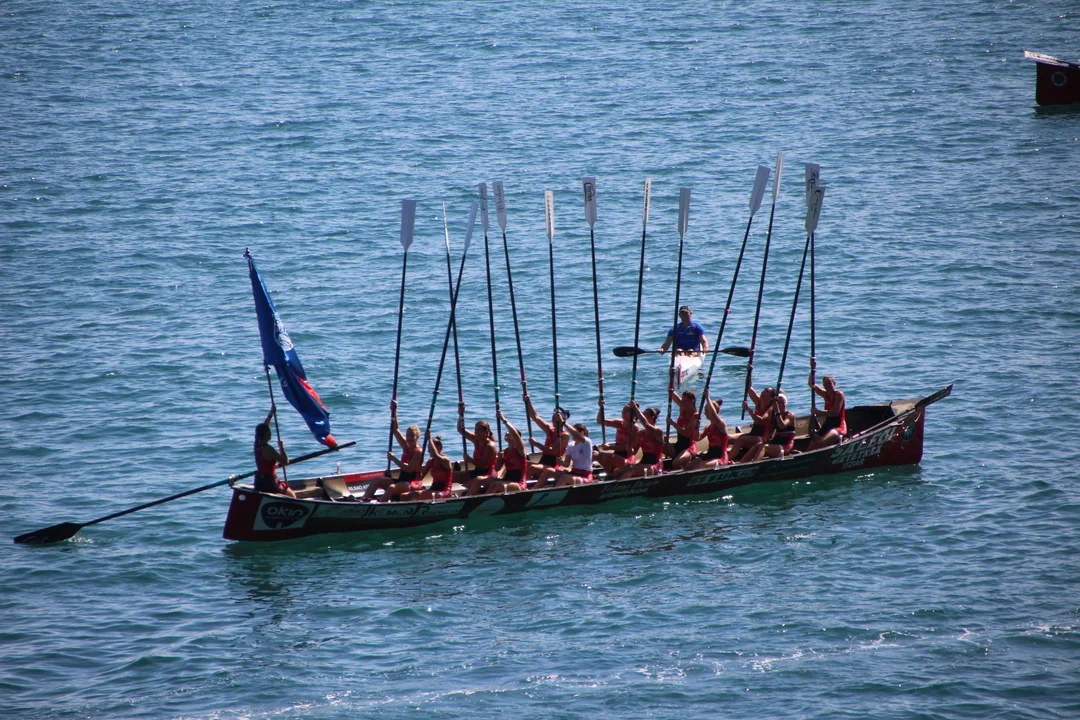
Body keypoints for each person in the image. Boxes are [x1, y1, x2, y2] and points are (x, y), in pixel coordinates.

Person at [362, 400, 422, 502]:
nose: (409, 438)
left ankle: (381, 505)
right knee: (377, 480)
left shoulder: (418, 452)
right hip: (401, 480)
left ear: (417, 437)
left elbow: (409, 469)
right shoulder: (406, 446)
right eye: (408, 435)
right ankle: (364, 501)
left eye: (412, 436)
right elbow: (395, 430)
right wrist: (394, 411)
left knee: (391, 488)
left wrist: (394, 459)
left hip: (412, 483)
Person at [253, 405, 296, 497]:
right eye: (269, 432)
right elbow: (285, 462)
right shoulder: (269, 449)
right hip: (270, 482)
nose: (270, 434)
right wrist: (281, 447)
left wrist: (270, 414)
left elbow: (264, 427)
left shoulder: (256, 445)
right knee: (292, 495)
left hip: (259, 481)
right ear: (266, 434)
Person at [456, 404, 499, 496]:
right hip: (477, 471)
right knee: (455, 475)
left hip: (488, 475)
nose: (476, 432)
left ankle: (465, 496)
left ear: (486, 432)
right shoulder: (476, 439)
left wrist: (469, 459)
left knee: (470, 483)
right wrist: (461, 415)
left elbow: (484, 466)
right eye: (475, 430)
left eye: (479, 430)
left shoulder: (490, 446)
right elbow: (460, 429)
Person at [536, 422, 595, 488]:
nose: (571, 434)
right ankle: (534, 490)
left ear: (582, 433)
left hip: (585, 475)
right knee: (548, 470)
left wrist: (563, 422)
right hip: (574, 472)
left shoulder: (587, 442)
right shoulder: (570, 445)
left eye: (573, 432)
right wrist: (561, 462)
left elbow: (577, 435)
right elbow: (566, 464)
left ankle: (555, 492)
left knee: (564, 477)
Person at [742, 393, 797, 463]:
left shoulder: (790, 415)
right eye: (778, 403)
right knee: (758, 445)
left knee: (764, 447)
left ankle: (754, 464)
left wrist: (777, 411)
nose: (781, 405)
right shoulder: (774, 416)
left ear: (786, 404)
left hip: (785, 446)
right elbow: (770, 432)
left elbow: (782, 425)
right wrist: (768, 436)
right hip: (776, 443)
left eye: (783, 403)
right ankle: (742, 463)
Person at [399, 432, 454, 502]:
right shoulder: (430, 461)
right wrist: (418, 471)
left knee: (418, 496)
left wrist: (429, 439)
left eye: (430, 448)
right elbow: (420, 478)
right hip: (433, 489)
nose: (428, 451)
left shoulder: (445, 460)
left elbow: (436, 455)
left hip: (444, 492)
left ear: (438, 448)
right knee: (404, 495)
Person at [524, 395, 569, 479]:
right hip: (543, 462)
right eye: (553, 416)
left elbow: (552, 452)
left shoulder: (564, 435)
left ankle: (523, 485)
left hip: (553, 466)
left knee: (533, 467)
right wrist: (528, 401)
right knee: (523, 463)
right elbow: (535, 417)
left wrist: (536, 444)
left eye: (557, 417)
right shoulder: (549, 429)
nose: (554, 419)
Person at [614, 404, 665, 479]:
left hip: (654, 465)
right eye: (642, 414)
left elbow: (646, 424)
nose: (642, 416)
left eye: (645, 415)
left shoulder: (658, 431)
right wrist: (629, 448)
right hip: (643, 463)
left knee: (630, 470)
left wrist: (635, 408)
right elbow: (634, 451)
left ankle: (620, 485)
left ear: (652, 417)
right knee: (617, 471)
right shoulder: (641, 433)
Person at [728, 383, 775, 463]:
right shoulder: (759, 402)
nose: (763, 392)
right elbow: (749, 388)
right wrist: (749, 375)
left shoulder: (770, 409)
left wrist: (748, 410)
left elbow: (760, 421)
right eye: (764, 390)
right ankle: (721, 457)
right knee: (728, 438)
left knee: (740, 440)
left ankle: (726, 461)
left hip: (761, 437)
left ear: (771, 398)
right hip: (752, 433)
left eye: (766, 391)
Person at [594, 399, 637, 476]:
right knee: (596, 455)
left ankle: (610, 475)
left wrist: (610, 447)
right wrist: (601, 407)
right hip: (617, 454)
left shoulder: (634, 427)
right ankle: (609, 474)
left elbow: (627, 447)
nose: (623, 412)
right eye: (623, 410)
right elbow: (600, 421)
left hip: (627, 457)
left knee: (607, 456)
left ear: (633, 413)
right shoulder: (619, 423)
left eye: (626, 411)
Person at [689, 390, 729, 470]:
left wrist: (707, 398)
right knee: (688, 466)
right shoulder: (708, 427)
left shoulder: (721, 424)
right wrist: (696, 427)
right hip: (709, 455)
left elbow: (714, 414)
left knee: (699, 466)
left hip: (720, 458)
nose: (704, 413)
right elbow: (697, 438)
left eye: (706, 411)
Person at [808, 372, 847, 450]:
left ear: (834, 384)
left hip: (838, 425)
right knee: (813, 442)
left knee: (821, 442)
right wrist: (812, 371)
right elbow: (811, 384)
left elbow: (835, 412)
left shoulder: (839, 394)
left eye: (829, 383)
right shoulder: (825, 394)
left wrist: (818, 412)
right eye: (825, 384)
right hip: (828, 424)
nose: (827, 386)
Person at [666, 388, 700, 471]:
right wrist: (671, 382)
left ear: (692, 401)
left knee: (676, 463)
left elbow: (686, 433)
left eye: (685, 401)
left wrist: (672, 423)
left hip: (689, 447)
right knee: (660, 444)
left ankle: (683, 468)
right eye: (682, 400)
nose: (682, 402)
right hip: (679, 445)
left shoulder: (695, 415)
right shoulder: (683, 408)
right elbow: (671, 394)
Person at [495, 411, 528, 493]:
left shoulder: (520, 448)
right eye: (507, 432)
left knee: (499, 485)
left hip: (518, 483)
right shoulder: (505, 452)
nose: (507, 432)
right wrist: (499, 460)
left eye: (509, 432)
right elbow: (497, 468)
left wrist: (503, 419)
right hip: (507, 480)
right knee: (482, 480)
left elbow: (514, 432)